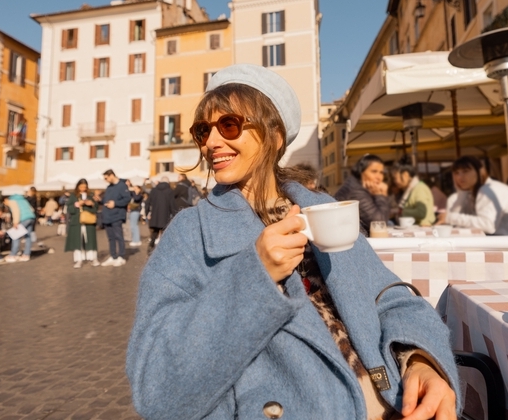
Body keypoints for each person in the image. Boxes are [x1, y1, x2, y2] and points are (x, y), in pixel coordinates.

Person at [127, 64, 459, 419]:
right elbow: (155, 388)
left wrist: (421, 361)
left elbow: (389, 298)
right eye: (202, 130)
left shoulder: (324, 208)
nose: (211, 142)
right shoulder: (189, 233)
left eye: (229, 125)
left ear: (274, 135)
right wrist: (255, 276)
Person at [443, 156, 508, 235]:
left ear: (480, 171)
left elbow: (488, 225)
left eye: (465, 171)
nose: (460, 177)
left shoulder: (488, 190)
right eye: (456, 173)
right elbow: (456, 220)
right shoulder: (475, 191)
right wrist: (461, 192)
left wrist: (450, 217)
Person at [333, 154, 394, 235]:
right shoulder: (355, 190)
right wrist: (380, 194)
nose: (379, 177)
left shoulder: (359, 185)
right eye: (374, 171)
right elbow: (379, 223)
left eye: (381, 173)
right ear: (361, 171)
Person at [65, 179, 99, 268]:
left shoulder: (90, 195)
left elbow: (96, 209)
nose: (83, 189)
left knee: (90, 240)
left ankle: (93, 258)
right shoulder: (73, 196)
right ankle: (79, 260)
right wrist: (77, 204)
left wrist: (91, 204)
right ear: (78, 187)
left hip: (89, 222)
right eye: (81, 187)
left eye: (85, 187)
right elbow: (69, 209)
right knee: (77, 241)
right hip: (76, 221)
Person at [100, 169, 131, 267]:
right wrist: (100, 200)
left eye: (106, 178)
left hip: (117, 215)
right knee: (111, 238)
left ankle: (121, 257)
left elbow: (127, 199)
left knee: (118, 236)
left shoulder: (122, 185)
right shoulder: (109, 187)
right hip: (107, 215)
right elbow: (106, 200)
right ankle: (113, 256)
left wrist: (116, 204)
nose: (105, 180)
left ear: (111, 175)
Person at [144, 177, 175, 252]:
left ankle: (151, 246)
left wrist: (147, 212)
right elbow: (172, 205)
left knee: (155, 231)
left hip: (155, 215)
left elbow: (147, 202)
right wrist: (174, 215)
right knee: (165, 232)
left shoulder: (154, 190)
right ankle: (164, 249)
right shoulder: (170, 191)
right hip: (165, 215)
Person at [4, 192, 35, 262]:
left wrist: (15, 222)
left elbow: (16, 211)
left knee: (16, 235)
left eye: (4, 202)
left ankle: (13, 255)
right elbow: (32, 209)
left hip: (23, 219)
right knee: (28, 237)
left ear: (6, 199)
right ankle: (26, 255)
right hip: (31, 217)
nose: (5, 204)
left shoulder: (12, 201)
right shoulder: (23, 200)